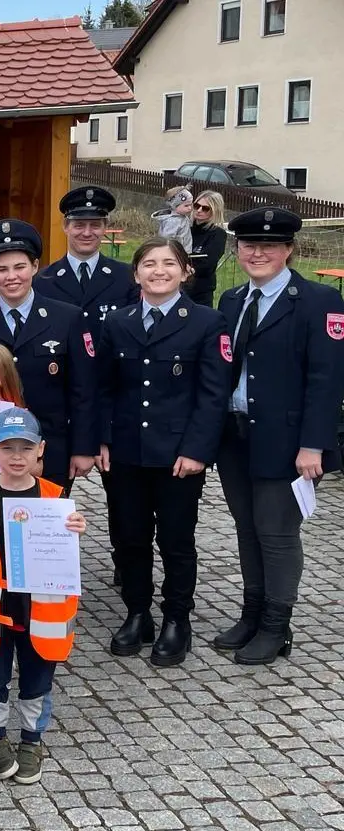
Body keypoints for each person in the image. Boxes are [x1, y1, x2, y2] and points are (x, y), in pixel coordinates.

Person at [212, 207, 344, 665]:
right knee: (247, 530)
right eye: (248, 245)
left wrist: (314, 444)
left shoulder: (317, 301)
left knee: (277, 533)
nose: (257, 253)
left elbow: (327, 380)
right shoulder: (231, 301)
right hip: (235, 436)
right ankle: (251, 614)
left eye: (269, 245)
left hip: (288, 442)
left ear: (288, 250)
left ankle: (275, 626)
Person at [96, 238, 231, 666]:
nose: (159, 271)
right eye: (148, 264)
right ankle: (138, 613)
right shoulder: (117, 322)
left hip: (178, 455)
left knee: (176, 540)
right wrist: (101, 439)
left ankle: (177, 619)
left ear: (185, 271)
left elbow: (213, 394)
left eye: (169, 263)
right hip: (126, 450)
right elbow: (104, 387)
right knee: (130, 537)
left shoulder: (207, 322)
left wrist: (196, 451)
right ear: (135, 274)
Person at [0, 410, 86, 784]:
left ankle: (31, 739)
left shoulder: (55, 495)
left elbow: (64, 551)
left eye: (25, 448)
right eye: (7, 448)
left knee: (37, 680)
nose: (16, 456)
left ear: (40, 450)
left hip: (41, 611)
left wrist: (75, 529)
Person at [0, 219, 98, 490]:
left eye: (20, 267)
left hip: (49, 448)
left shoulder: (67, 318)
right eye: (2, 269)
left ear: (34, 267)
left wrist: (83, 447)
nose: (11, 277)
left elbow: (83, 389)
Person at [33, 187, 137, 327]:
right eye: (79, 225)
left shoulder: (127, 276)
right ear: (65, 226)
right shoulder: (42, 281)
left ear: (105, 227)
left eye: (95, 225)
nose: (87, 233)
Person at [186, 191, 228, 307]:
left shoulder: (217, 234)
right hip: (177, 288)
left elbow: (207, 264)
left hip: (200, 292)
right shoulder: (184, 228)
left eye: (205, 208)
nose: (199, 210)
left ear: (214, 211)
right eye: (196, 206)